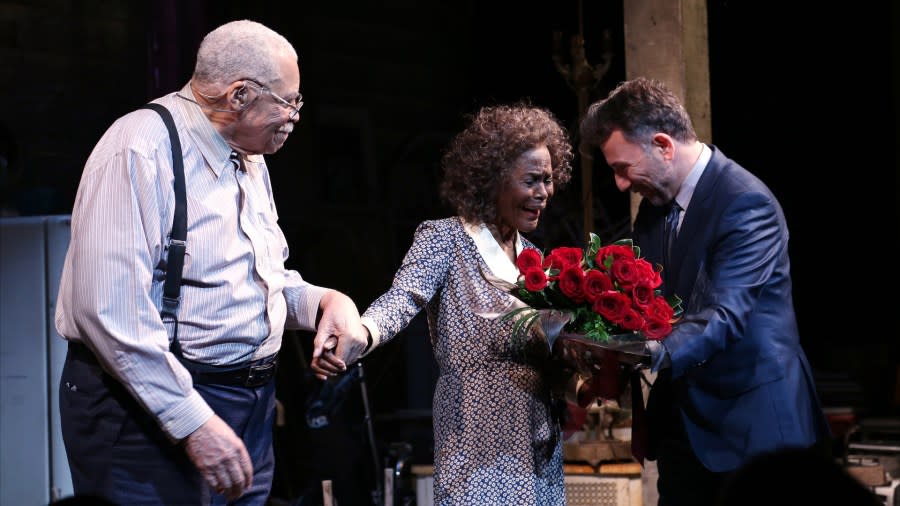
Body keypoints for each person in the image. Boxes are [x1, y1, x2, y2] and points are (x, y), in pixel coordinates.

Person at [55, 20, 366, 505]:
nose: (295, 116)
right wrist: (192, 422)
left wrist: (326, 302)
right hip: (149, 411)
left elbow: (257, 278)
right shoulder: (140, 148)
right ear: (238, 95)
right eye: (289, 101)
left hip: (247, 409)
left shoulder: (247, 156)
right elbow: (108, 311)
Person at [578, 77, 830, 505]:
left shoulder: (746, 203)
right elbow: (643, 303)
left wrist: (653, 351)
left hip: (755, 429)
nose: (621, 184)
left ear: (663, 144)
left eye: (622, 168)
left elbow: (725, 315)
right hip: (685, 430)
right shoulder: (653, 212)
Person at [313, 104, 574, 504]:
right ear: (493, 180)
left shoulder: (535, 259)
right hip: (475, 435)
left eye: (549, 181)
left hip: (539, 439)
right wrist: (361, 333)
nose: (543, 193)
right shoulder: (445, 239)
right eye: (531, 180)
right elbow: (403, 299)